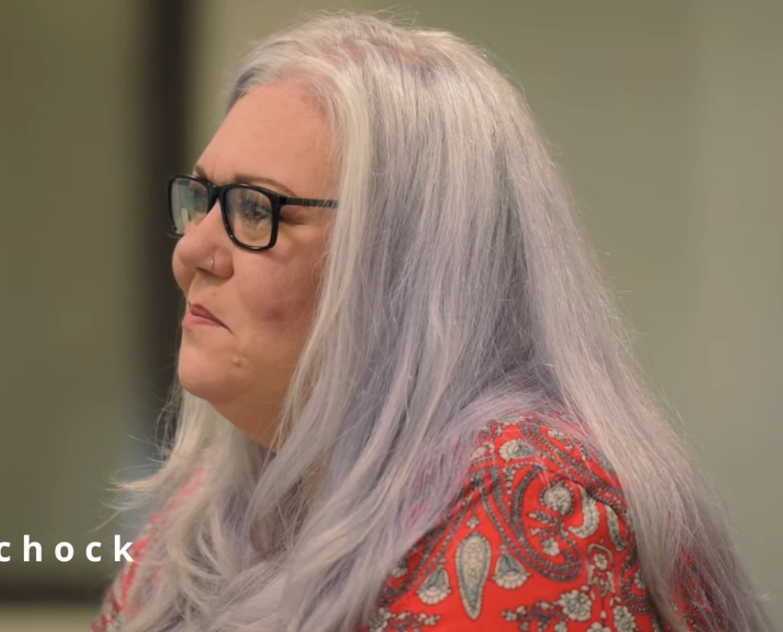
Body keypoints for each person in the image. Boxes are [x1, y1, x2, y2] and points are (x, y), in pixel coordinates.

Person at [92, 12, 774, 632]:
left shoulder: (531, 501)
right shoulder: (213, 506)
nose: (191, 253)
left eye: (255, 209)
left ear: (404, 265)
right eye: (204, 200)